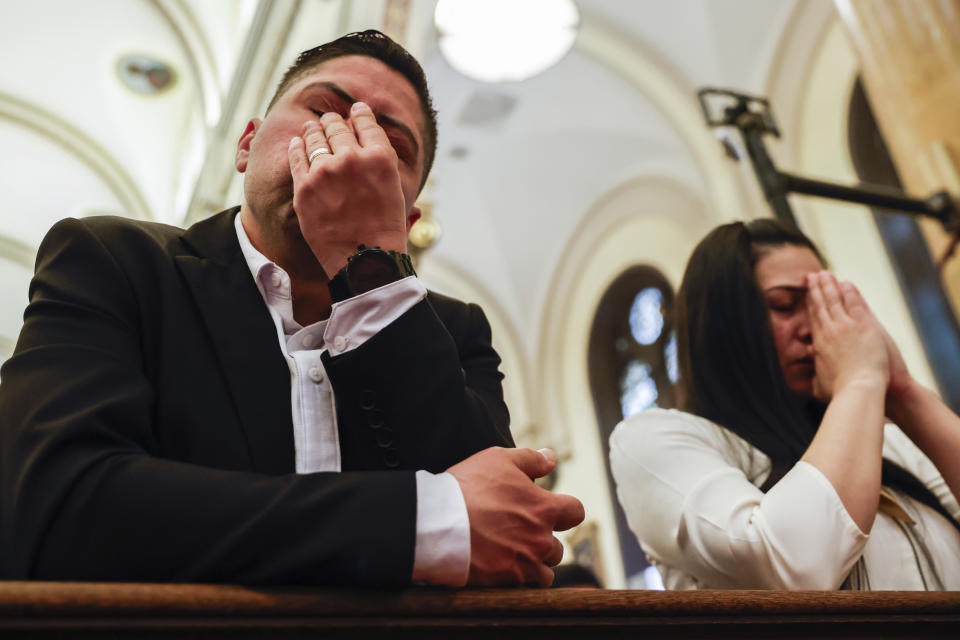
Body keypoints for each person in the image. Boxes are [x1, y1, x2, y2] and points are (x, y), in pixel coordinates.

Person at [0, 30, 583, 587]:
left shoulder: (456, 334)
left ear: (406, 220)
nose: (352, 147)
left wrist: (371, 269)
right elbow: (52, 507)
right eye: (324, 109)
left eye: (392, 147)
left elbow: (500, 535)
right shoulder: (117, 263)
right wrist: (420, 525)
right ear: (248, 144)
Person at [610, 219, 960, 590]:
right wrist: (858, 380)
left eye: (824, 305)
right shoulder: (655, 440)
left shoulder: (887, 444)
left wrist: (904, 393)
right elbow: (793, 566)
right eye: (786, 304)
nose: (814, 328)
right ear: (723, 323)